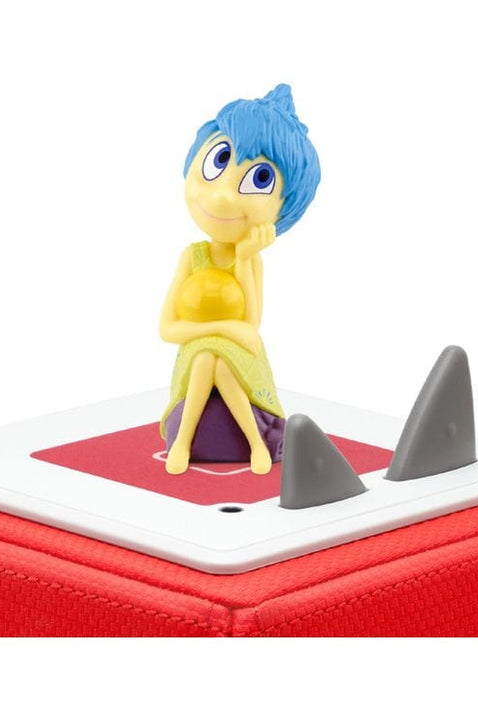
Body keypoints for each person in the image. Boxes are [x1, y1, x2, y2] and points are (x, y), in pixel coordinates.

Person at [160, 84, 320, 474]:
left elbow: (251, 325)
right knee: (206, 356)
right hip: (198, 355)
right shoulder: (192, 257)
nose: (222, 198)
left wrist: (246, 258)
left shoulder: (250, 260)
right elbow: (168, 329)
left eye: (259, 178)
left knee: (217, 361)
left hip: (242, 359)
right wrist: (220, 329)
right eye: (218, 160)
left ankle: (204, 444)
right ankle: (240, 444)